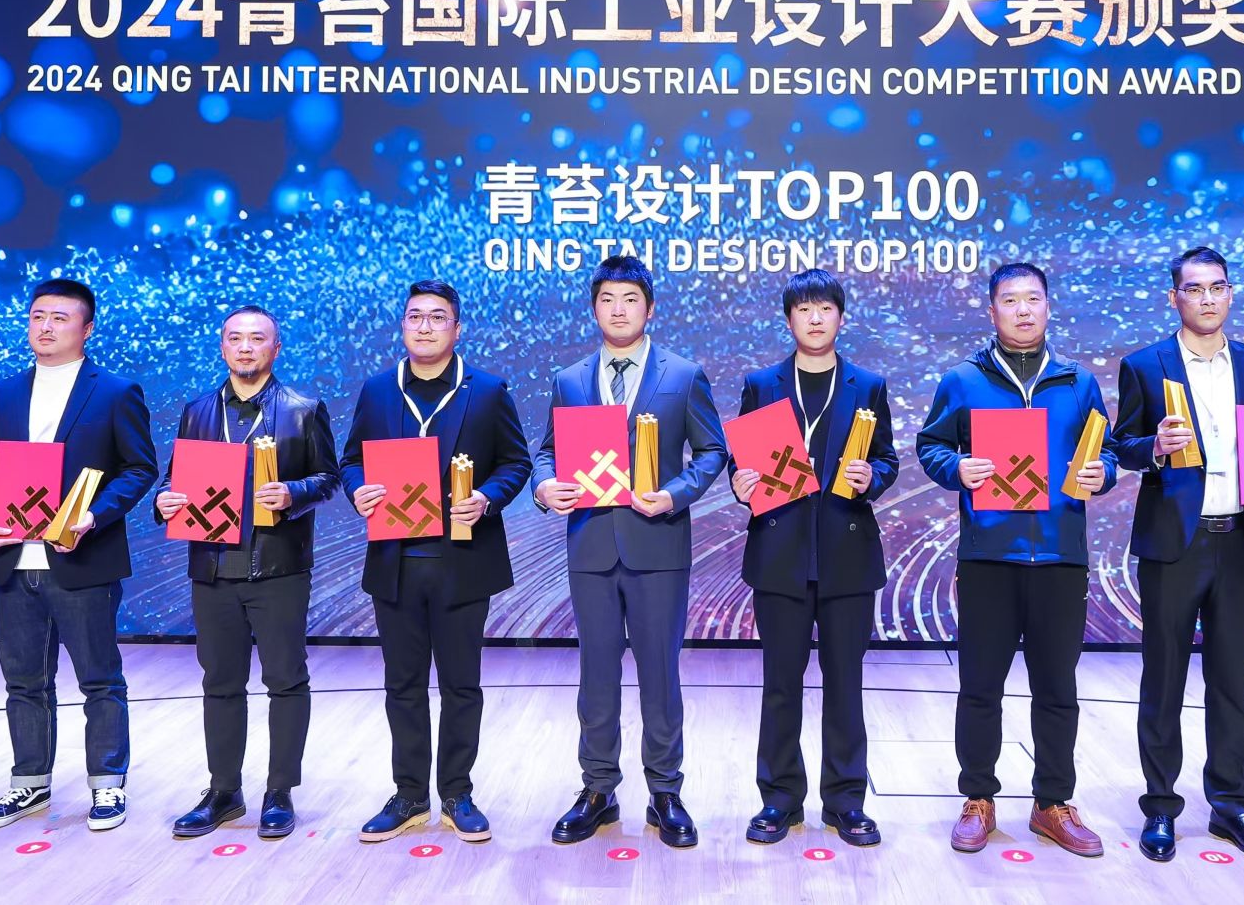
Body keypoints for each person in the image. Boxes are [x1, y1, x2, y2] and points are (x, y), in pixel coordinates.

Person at [916, 263, 1118, 858]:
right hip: (989, 556)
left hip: (1060, 556)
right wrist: (958, 467)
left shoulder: (1078, 381)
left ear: (1049, 307)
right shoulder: (963, 379)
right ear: (992, 310)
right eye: (1011, 300)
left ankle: (1052, 803)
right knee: (980, 686)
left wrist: (1103, 473)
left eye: (1033, 299)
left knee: (1057, 689)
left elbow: (1104, 450)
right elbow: (931, 445)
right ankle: (978, 798)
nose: (1023, 310)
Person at [532, 255, 728, 849]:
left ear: (650, 308)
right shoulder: (569, 379)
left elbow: (713, 452)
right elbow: (546, 451)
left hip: (657, 545)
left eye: (630, 299)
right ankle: (597, 790)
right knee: (596, 673)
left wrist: (674, 494)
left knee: (660, 673)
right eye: (607, 299)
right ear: (594, 309)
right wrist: (544, 487)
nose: (618, 310)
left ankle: (665, 791)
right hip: (590, 544)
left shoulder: (683, 374)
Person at [1112, 246, 1244, 863]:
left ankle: (1231, 805)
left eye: (1217, 287)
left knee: (1232, 679)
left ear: (1231, 293)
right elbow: (1122, 444)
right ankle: (1161, 807)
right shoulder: (1145, 365)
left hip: (1239, 538)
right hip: (1175, 542)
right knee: (1163, 677)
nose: (1208, 298)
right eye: (1194, 289)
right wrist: (1154, 447)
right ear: (1175, 298)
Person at [0, 278, 157, 832]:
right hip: (13, 560)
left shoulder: (115, 391)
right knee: (23, 682)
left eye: (59, 318)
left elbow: (139, 467)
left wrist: (92, 516)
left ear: (86, 329)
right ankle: (29, 783)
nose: (45, 327)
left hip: (82, 559)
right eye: (37, 316)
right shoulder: (6, 393)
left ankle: (107, 784)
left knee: (99, 679)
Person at [341, 280, 531, 845]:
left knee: (461, 685)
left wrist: (488, 497)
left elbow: (516, 463)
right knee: (401, 685)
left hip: (462, 560)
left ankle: (457, 793)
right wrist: (357, 490)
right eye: (415, 316)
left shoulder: (488, 390)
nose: (425, 326)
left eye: (437, 317)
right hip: (395, 560)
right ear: (403, 326)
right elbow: (351, 461)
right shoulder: (379, 390)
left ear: (457, 328)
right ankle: (408, 796)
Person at [152, 305, 340, 839]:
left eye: (257, 339)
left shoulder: (303, 410)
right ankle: (223, 791)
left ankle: (279, 791)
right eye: (235, 338)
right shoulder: (197, 410)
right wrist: (165, 501)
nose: (245, 347)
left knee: (285, 679)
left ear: (275, 349)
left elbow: (329, 477)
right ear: (222, 346)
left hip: (279, 567)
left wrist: (295, 491)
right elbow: (174, 479)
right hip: (212, 567)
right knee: (220, 682)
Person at [731, 269, 899, 848]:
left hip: (847, 556)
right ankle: (779, 799)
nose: (816, 318)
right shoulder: (762, 384)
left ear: (841, 317)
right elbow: (741, 463)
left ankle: (846, 801)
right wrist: (740, 483)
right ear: (789, 320)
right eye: (804, 309)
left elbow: (888, 458)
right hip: (780, 554)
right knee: (780, 684)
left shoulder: (868, 384)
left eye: (825, 308)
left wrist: (874, 476)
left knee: (845, 685)